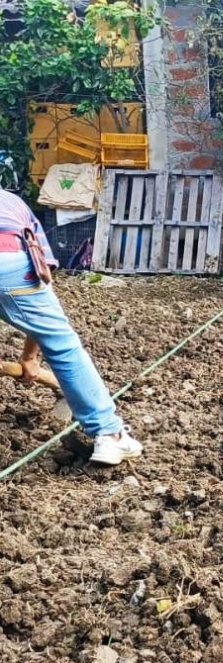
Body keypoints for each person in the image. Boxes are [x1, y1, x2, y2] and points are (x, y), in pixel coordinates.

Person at [0, 189, 143, 465]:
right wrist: (31, 356)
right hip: (9, 259)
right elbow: (44, 276)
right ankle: (109, 434)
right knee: (63, 344)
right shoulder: (12, 203)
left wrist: (28, 357)